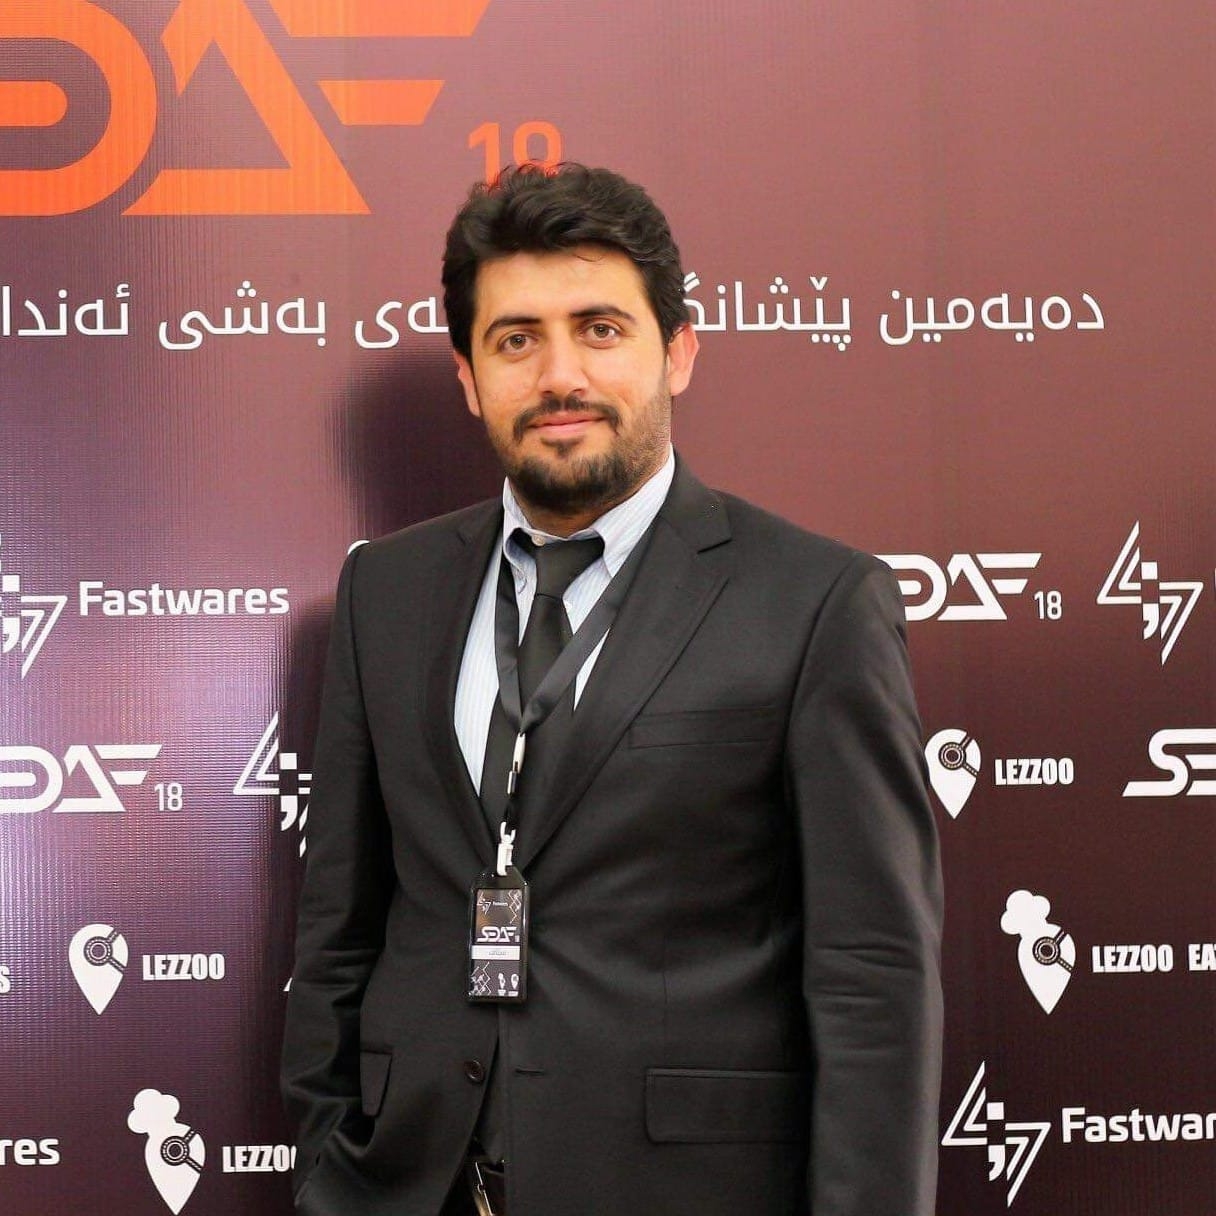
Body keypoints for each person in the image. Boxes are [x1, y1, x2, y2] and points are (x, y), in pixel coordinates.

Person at [281, 163, 943, 1216]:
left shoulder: (816, 600)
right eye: (516, 339)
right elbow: (340, 927)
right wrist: (331, 1164)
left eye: (600, 329)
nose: (560, 375)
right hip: (408, 1187)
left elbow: (872, 972)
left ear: (677, 351)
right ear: (468, 376)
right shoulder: (384, 591)